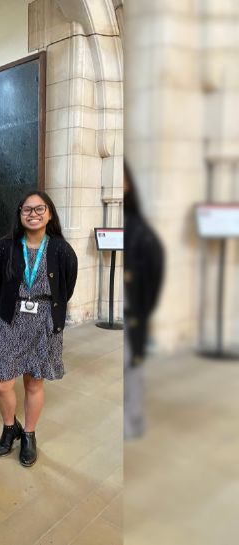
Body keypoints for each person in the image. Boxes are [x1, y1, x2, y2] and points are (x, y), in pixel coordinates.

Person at [0, 190, 77, 467]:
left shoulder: (61, 250)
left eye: (39, 209)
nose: (33, 214)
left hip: (44, 321)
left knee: (34, 382)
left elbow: (66, 288)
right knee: (2, 382)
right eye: (27, 209)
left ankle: (29, 435)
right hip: (10, 318)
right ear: (20, 214)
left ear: (49, 214)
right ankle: (10, 427)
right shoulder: (4, 247)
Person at [123, 162, 164, 439]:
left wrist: (143, 308)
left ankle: (133, 423)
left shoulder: (138, 228)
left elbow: (155, 270)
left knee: (133, 368)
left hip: (133, 314)